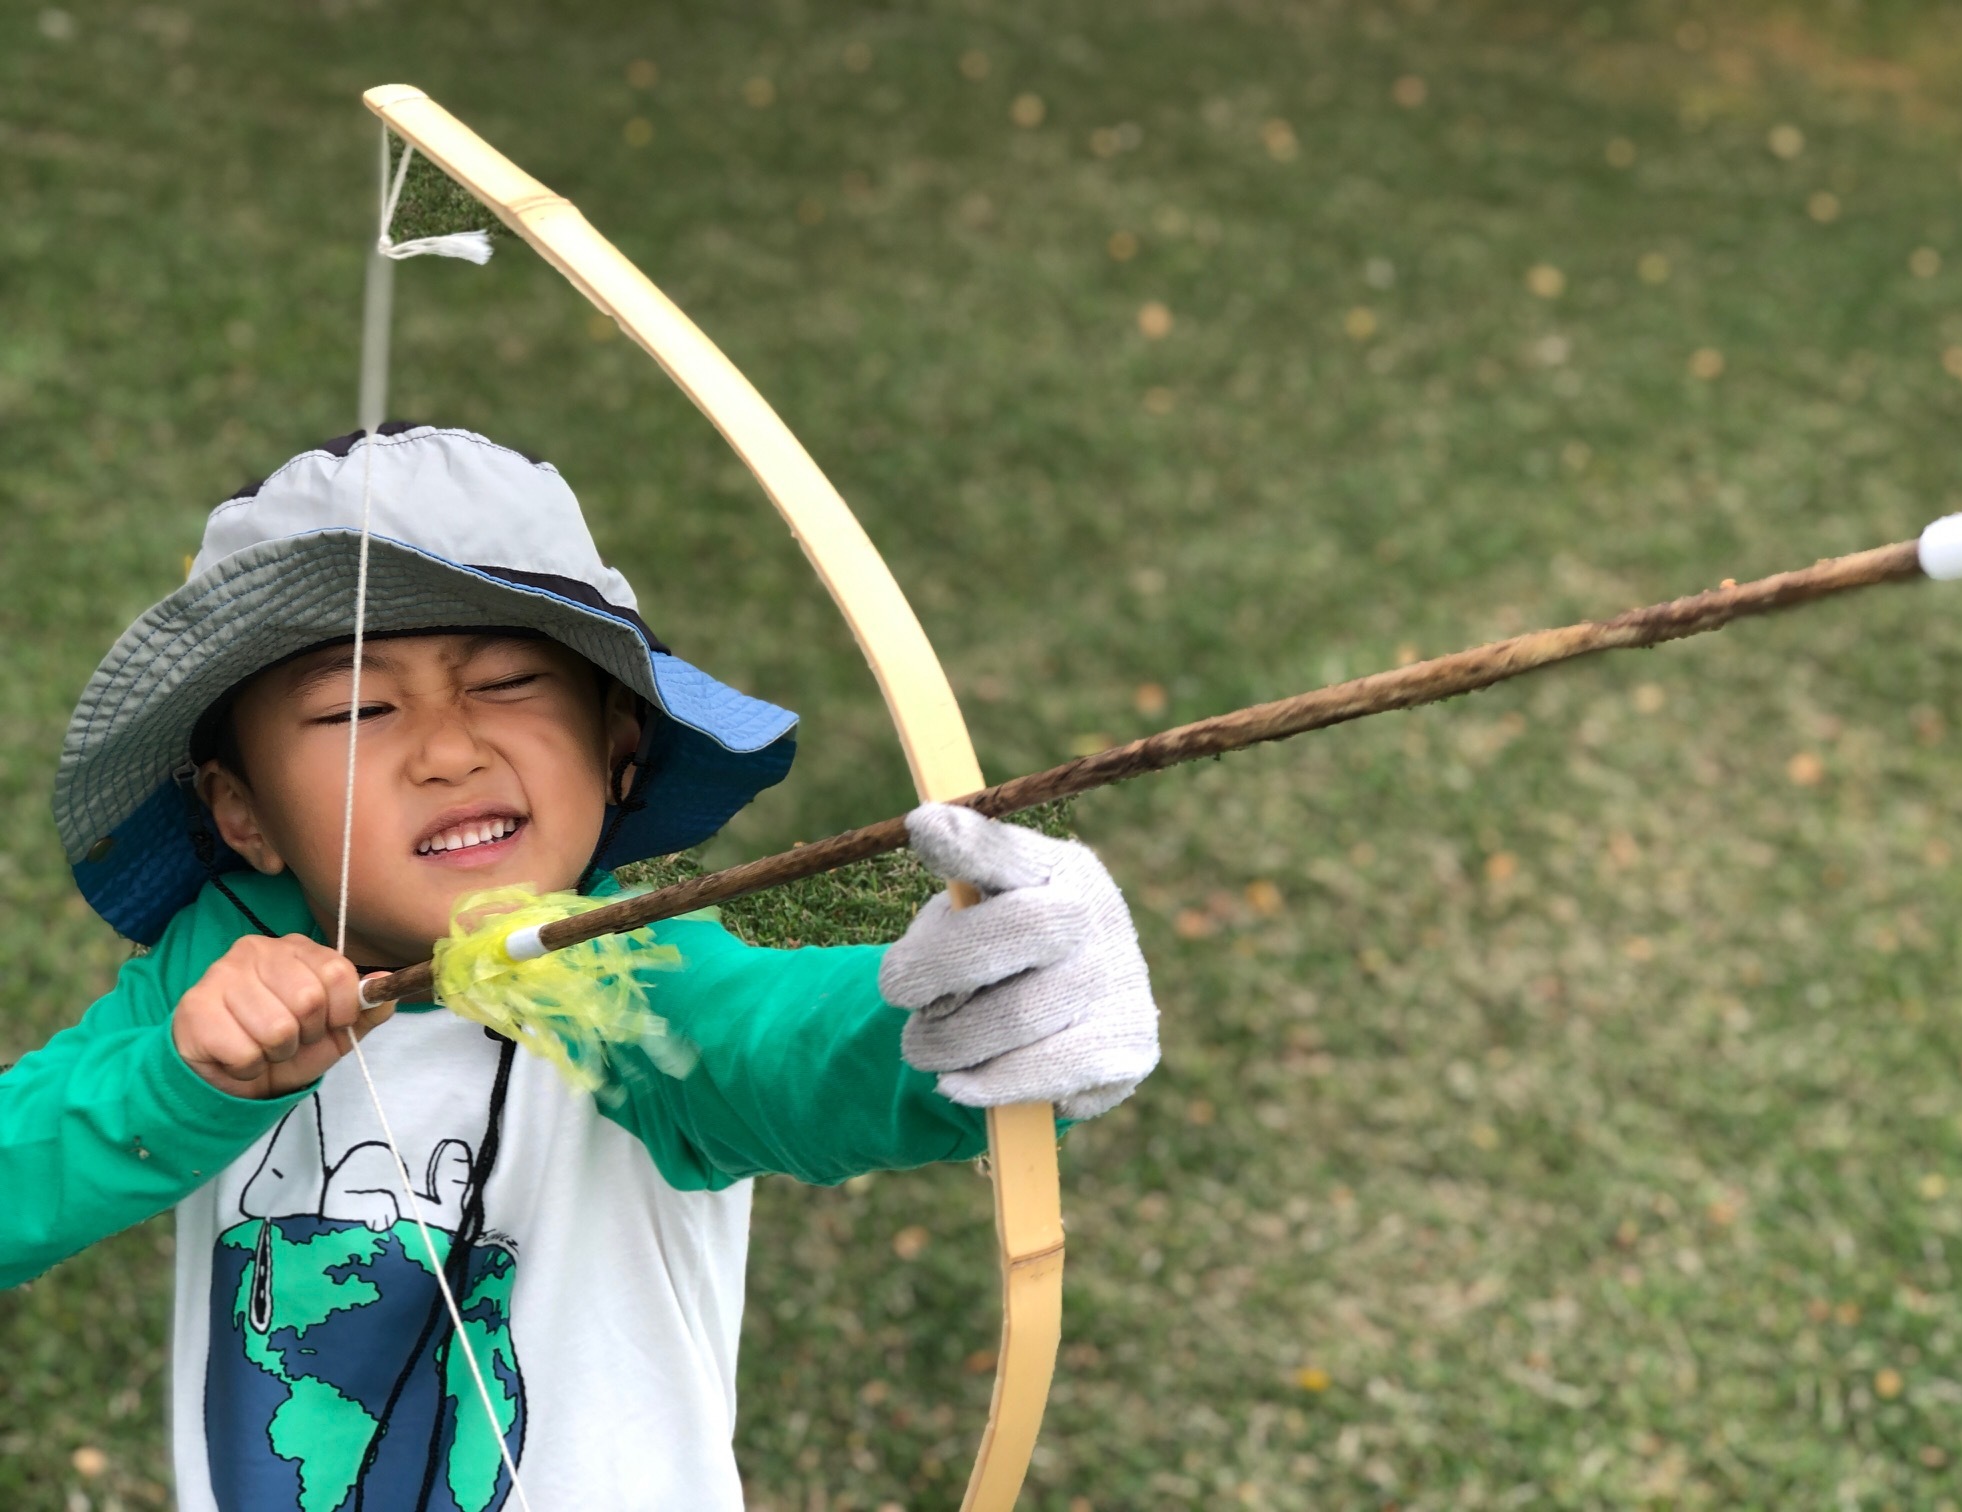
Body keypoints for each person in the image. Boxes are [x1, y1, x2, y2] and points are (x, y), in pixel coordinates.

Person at [0, 423, 1159, 1512]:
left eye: (505, 684)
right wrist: (181, 1082)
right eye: (357, 706)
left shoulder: (629, 977)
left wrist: (975, 1019)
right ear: (244, 814)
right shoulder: (210, 975)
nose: (449, 750)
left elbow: (779, 1042)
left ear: (617, 748)